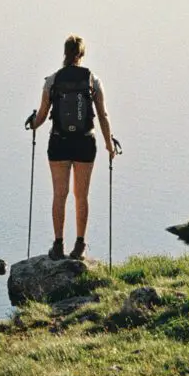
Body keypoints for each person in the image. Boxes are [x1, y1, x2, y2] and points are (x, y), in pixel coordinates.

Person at [26, 34, 118, 260]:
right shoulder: (92, 80)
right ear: (82, 54)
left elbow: (42, 116)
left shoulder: (52, 80)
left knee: (60, 194)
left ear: (65, 53)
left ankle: (58, 246)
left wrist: (32, 124)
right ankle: (79, 246)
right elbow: (103, 115)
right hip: (85, 143)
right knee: (81, 195)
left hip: (59, 142)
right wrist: (109, 145)